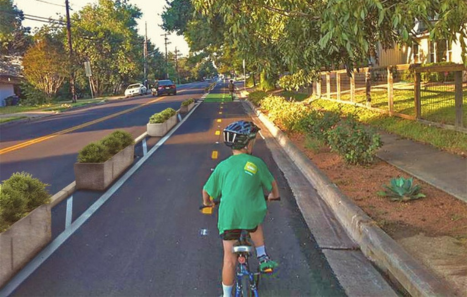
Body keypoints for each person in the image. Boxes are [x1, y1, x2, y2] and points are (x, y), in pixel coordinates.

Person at [202, 120, 280, 297]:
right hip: (251, 213)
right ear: (246, 144)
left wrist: (208, 203)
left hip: (229, 218)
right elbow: (273, 185)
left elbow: (206, 191)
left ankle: (227, 295)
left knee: (229, 259)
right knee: (255, 224)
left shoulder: (223, 166)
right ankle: (262, 256)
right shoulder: (256, 163)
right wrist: (273, 196)